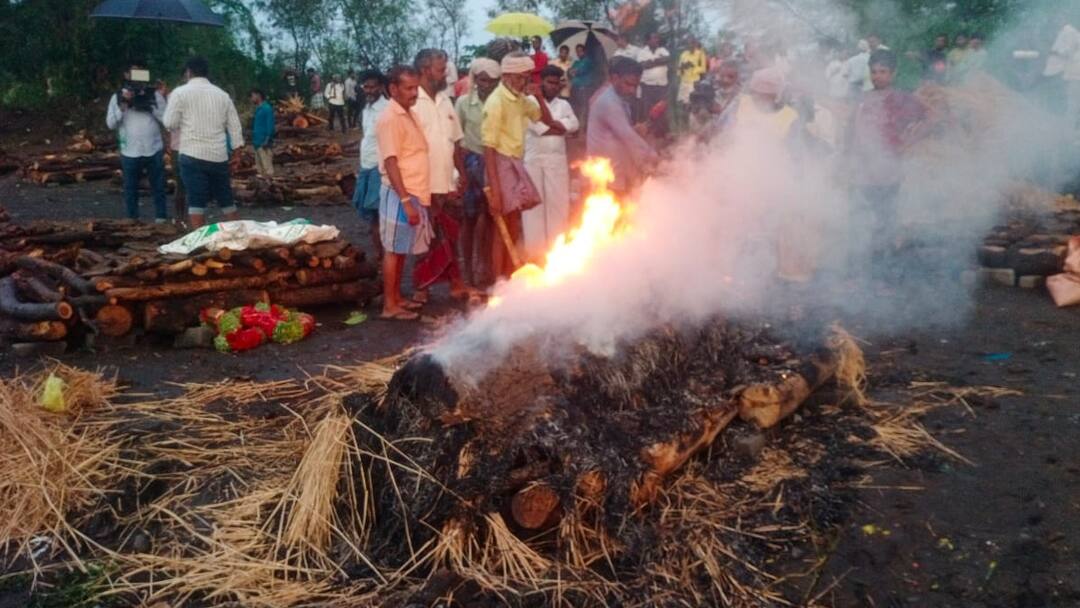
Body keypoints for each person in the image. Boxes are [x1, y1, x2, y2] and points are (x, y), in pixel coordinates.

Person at [483, 52, 565, 279]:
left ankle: (508, 275)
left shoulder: (521, 99)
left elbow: (547, 120)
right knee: (502, 228)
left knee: (512, 223)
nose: (524, 82)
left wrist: (538, 97)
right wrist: (496, 190)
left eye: (527, 77)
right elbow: (488, 147)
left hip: (515, 161)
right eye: (520, 78)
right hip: (500, 162)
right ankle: (498, 281)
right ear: (507, 76)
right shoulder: (496, 102)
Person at [847, 49, 927, 278]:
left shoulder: (902, 98)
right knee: (860, 221)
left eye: (883, 72)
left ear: (893, 73)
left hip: (888, 171)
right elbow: (852, 130)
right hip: (863, 171)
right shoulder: (862, 98)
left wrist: (908, 142)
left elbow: (929, 118)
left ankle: (886, 274)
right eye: (874, 72)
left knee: (885, 223)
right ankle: (861, 272)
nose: (877, 76)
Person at [412, 48, 475, 301]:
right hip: (422, 183)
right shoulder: (412, 102)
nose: (446, 74)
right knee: (424, 239)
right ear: (425, 70)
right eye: (441, 69)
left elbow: (456, 142)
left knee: (451, 235)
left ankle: (456, 283)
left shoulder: (446, 100)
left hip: (448, 181)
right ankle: (421, 287)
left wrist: (462, 173)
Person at [375, 65, 433, 321]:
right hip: (400, 193)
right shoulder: (390, 118)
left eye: (416, 88)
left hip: (412, 191)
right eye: (409, 88)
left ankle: (397, 297)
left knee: (400, 249)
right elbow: (390, 162)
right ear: (393, 89)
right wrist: (406, 200)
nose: (414, 93)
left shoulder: (408, 114)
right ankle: (389, 305)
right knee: (393, 249)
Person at [163, 56, 244, 229]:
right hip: (218, 156)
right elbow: (235, 127)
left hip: (192, 154)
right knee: (226, 199)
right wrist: (237, 153)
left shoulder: (179, 93)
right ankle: (239, 237)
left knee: (196, 202)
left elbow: (170, 123)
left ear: (188, 72)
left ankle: (200, 244)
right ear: (207, 73)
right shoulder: (223, 95)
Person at [524, 64, 579, 260]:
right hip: (534, 160)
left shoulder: (564, 105)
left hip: (556, 160)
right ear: (542, 82)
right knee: (534, 209)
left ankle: (557, 254)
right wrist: (560, 127)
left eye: (557, 83)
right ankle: (535, 256)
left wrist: (559, 127)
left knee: (559, 205)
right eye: (550, 82)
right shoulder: (529, 102)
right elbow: (541, 128)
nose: (554, 87)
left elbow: (575, 125)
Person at [455, 58, 501, 286]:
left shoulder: (500, 102)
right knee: (469, 218)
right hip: (471, 161)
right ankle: (468, 272)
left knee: (491, 217)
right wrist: (460, 171)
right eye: (483, 80)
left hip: (493, 162)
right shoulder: (463, 103)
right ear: (475, 80)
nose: (488, 85)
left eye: (493, 81)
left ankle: (485, 265)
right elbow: (456, 138)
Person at [586, 56, 659, 194]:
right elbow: (628, 136)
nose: (632, 90)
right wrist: (653, 157)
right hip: (605, 172)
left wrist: (635, 130)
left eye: (635, 86)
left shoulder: (619, 99)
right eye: (628, 84)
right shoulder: (609, 101)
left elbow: (621, 131)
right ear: (615, 78)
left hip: (615, 169)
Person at [106, 64, 168, 222]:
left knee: (159, 186)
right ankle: (132, 220)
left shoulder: (154, 95)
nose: (137, 76)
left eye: (140, 72)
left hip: (153, 148)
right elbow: (110, 124)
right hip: (130, 150)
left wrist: (150, 107)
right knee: (130, 188)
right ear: (126, 74)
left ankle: (161, 218)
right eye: (133, 72)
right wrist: (124, 106)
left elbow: (167, 120)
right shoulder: (118, 96)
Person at [354, 70, 390, 261]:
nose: (368, 90)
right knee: (370, 216)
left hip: (380, 168)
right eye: (365, 87)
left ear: (381, 87)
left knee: (378, 217)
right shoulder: (366, 110)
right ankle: (380, 257)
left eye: (372, 86)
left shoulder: (388, 110)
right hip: (366, 166)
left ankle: (384, 259)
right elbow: (367, 137)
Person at [1047, 17, 1080, 137]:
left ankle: (1069, 133)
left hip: (1075, 76)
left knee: (1073, 105)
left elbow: (1065, 51)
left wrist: (1054, 52)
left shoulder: (1069, 31)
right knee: (1073, 104)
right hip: (1074, 75)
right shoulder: (1073, 33)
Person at [638, 33, 671, 120]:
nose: (657, 40)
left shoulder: (662, 50)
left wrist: (651, 61)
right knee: (648, 110)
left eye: (657, 38)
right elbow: (642, 65)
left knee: (662, 109)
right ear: (648, 41)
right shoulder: (642, 52)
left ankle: (663, 132)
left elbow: (667, 59)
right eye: (654, 38)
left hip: (662, 85)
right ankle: (649, 131)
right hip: (647, 85)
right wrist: (659, 61)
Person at [569, 44, 598, 126]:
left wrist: (574, 71)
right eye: (577, 51)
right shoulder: (576, 62)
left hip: (584, 87)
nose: (578, 53)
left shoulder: (588, 61)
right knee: (574, 108)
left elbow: (579, 71)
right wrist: (573, 71)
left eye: (580, 51)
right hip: (575, 87)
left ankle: (582, 128)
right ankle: (576, 127)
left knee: (583, 108)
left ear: (584, 51)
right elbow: (570, 72)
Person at [250, 88, 275, 177]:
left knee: (267, 168)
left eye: (252, 96)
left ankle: (271, 186)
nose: (251, 98)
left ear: (258, 96)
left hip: (264, 143)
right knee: (260, 170)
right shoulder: (258, 109)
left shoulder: (267, 108)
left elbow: (270, 125)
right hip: (257, 143)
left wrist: (267, 140)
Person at [678, 36, 708, 105]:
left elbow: (703, 69)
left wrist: (693, 66)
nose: (690, 45)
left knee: (692, 104)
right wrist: (682, 67)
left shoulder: (700, 54)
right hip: (684, 82)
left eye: (691, 43)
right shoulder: (683, 54)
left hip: (694, 83)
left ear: (695, 44)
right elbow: (679, 70)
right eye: (687, 44)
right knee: (683, 104)